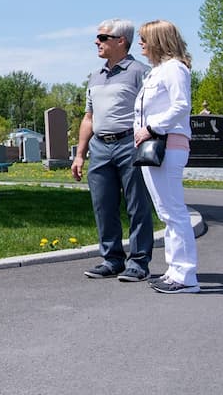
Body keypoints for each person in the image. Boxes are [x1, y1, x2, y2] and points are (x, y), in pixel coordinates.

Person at [71, 18, 154, 282]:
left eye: (103, 37)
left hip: (130, 144)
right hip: (100, 147)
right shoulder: (95, 76)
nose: (97, 41)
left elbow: (153, 110)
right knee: (103, 206)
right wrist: (80, 153)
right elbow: (88, 117)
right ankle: (112, 260)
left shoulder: (141, 72)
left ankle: (139, 263)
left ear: (121, 41)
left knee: (137, 205)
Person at [134, 19, 200, 294]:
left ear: (158, 41)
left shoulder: (174, 69)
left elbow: (181, 106)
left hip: (167, 145)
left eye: (144, 39)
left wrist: (151, 127)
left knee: (174, 212)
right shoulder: (157, 72)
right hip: (155, 145)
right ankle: (174, 271)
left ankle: (185, 276)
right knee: (166, 212)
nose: (141, 44)